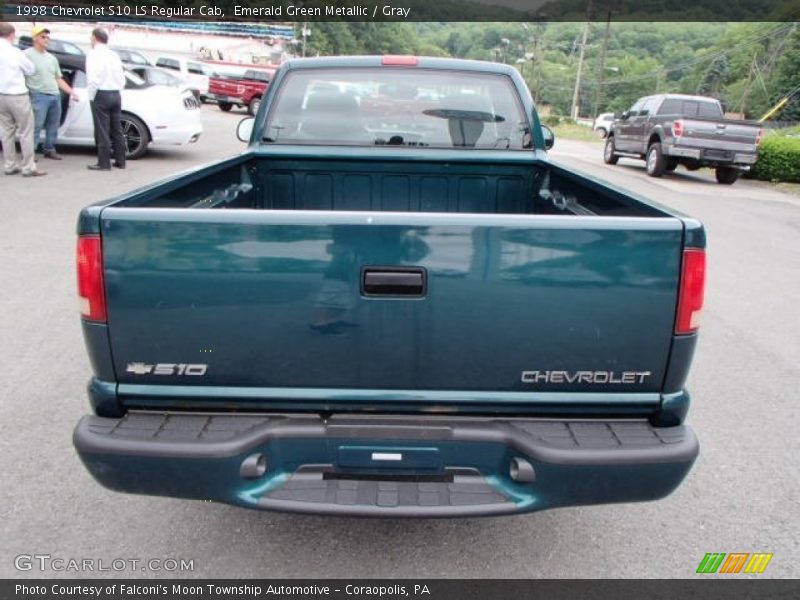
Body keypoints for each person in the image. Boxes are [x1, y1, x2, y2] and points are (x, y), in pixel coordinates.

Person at [24, 25, 79, 160]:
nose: (46, 40)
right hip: (38, 95)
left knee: (53, 125)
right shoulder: (26, 55)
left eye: (48, 37)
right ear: (35, 38)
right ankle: (30, 153)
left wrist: (71, 92)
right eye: (43, 37)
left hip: (55, 95)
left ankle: (49, 149)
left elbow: (58, 78)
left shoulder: (51, 58)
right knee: (36, 125)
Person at [0, 22, 45, 176]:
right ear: (11, 35)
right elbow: (31, 69)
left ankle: (9, 165)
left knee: (6, 132)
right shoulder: (15, 52)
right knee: (26, 130)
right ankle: (28, 167)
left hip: (1, 96)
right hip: (17, 95)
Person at [85, 28, 126, 170]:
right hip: (116, 93)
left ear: (95, 38)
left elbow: (92, 78)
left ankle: (104, 163)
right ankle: (121, 161)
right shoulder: (113, 55)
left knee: (102, 130)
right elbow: (121, 77)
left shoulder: (93, 54)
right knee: (117, 129)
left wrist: (92, 95)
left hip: (101, 93)